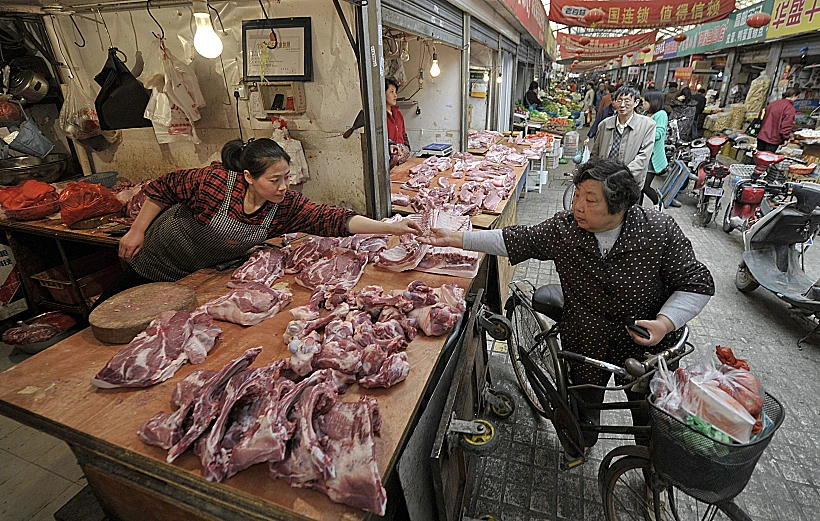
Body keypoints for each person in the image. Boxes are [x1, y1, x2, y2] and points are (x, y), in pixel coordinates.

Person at [418, 157, 715, 447]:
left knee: (651, 421)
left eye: (590, 199)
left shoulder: (659, 231)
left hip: (646, 349)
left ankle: (650, 470)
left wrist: (665, 323)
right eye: (577, 195)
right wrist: (456, 238)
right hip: (585, 341)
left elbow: (697, 283)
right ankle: (578, 441)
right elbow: (515, 240)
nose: (578, 206)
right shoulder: (565, 230)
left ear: (620, 204)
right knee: (584, 421)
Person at [100, 138, 420, 307]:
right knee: (112, 309)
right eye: (275, 180)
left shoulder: (283, 207)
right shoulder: (214, 184)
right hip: (156, 258)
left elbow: (333, 219)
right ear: (249, 177)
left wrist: (391, 227)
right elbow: (162, 187)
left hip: (195, 275)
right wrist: (137, 230)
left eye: (286, 178)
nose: (284, 187)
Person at [589, 86, 656, 187]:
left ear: (636, 102)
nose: (622, 105)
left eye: (627, 101)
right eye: (619, 101)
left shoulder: (647, 125)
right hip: (604, 181)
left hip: (629, 183)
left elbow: (644, 157)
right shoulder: (604, 124)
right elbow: (595, 153)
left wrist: (622, 176)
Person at [641, 90, 668, 209]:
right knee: (639, 185)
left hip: (652, 157)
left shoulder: (661, 114)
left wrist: (642, 135)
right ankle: (638, 207)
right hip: (643, 155)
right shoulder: (646, 113)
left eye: (646, 101)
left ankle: (657, 204)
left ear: (654, 102)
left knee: (644, 186)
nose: (643, 103)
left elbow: (658, 133)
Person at [757, 87, 799, 152]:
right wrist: (785, 138)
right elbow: (786, 125)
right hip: (773, 138)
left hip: (762, 135)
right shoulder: (790, 108)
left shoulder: (773, 103)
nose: (796, 99)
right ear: (793, 96)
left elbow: (761, 115)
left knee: (758, 156)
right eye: (797, 97)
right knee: (768, 158)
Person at [385, 77, 411, 166]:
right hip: (388, 162)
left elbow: (404, 135)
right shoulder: (379, 117)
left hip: (401, 159)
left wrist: (407, 149)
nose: (395, 95)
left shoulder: (398, 114)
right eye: (391, 92)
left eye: (395, 92)